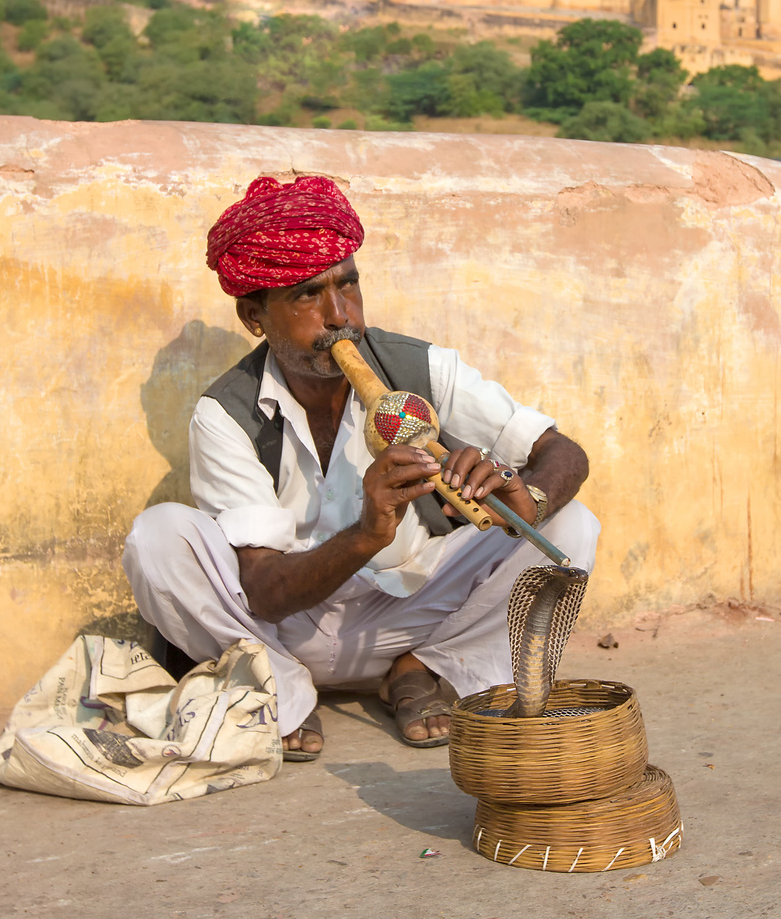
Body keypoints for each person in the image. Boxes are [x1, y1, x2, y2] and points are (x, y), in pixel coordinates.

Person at [123, 175, 599, 760]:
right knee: (157, 536)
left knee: (570, 529)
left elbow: (563, 452)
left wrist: (529, 498)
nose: (339, 316)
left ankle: (423, 666)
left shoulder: (419, 367)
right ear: (254, 315)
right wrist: (367, 534)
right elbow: (266, 595)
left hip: (412, 607)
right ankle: (282, 691)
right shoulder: (225, 414)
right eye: (307, 296)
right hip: (286, 628)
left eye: (348, 287)